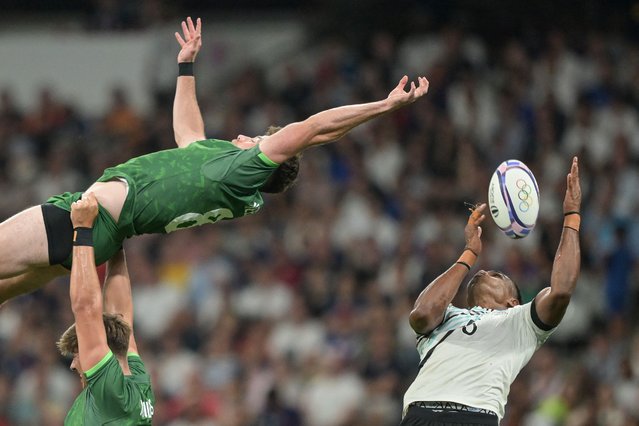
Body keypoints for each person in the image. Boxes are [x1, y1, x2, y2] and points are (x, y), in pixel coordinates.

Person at [0, 17, 429, 303]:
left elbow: (313, 128)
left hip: (89, 218)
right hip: (99, 232)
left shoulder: (245, 172)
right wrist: (186, 69)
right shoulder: (225, 174)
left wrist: (382, 107)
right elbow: (189, 135)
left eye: (260, 139)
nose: (247, 136)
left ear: (268, 159)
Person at [401, 157, 581, 426]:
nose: (484, 271)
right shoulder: (446, 316)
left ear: (512, 302)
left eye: (497, 274)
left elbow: (562, 289)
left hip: (475, 416)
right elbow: (421, 315)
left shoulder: (520, 323)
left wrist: (571, 215)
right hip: (420, 415)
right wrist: (469, 253)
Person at [56, 192, 155, 424]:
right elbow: (120, 314)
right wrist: (114, 237)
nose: (73, 364)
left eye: (78, 352)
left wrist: (83, 229)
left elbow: (85, 308)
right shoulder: (138, 380)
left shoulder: (111, 392)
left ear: (105, 354)